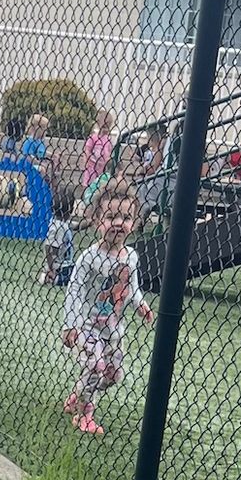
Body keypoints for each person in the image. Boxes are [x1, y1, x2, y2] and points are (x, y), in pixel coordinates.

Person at [62, 186, 152, 437]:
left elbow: (132, 288)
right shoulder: (89, 258)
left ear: (134, 223)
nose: (118, 223)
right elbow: (74, 291)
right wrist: (70, 326)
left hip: (112, 330)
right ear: (97, 221)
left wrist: (141, 305)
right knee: (96, 364)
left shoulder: (131, 256)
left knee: (113, 374)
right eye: (111, 217)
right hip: (87, 327)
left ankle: (77, 396)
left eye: (125, 218)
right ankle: (84, 413)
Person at [40, 188, 76, 288]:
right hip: (60, 266)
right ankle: (54, 278)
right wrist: (51, 268)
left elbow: (76, 226)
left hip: (64, 264)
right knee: (77, 274)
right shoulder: (59, 228)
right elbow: (49, 247)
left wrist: (90, 222)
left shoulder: (62, 223)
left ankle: (52, 277)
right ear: (72, 209)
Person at [78, 110, 114, 208]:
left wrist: (108, 161)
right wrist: (87, 160)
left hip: (101, 168)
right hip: (91, 166)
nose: (106, 128)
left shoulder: (108, 140)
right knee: (88, 183)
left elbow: (109, 153)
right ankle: (85, 202)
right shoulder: (93, 138)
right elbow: (87, 150)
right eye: (104, 124)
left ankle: (96, 204)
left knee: (99, 185)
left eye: (108, 125)